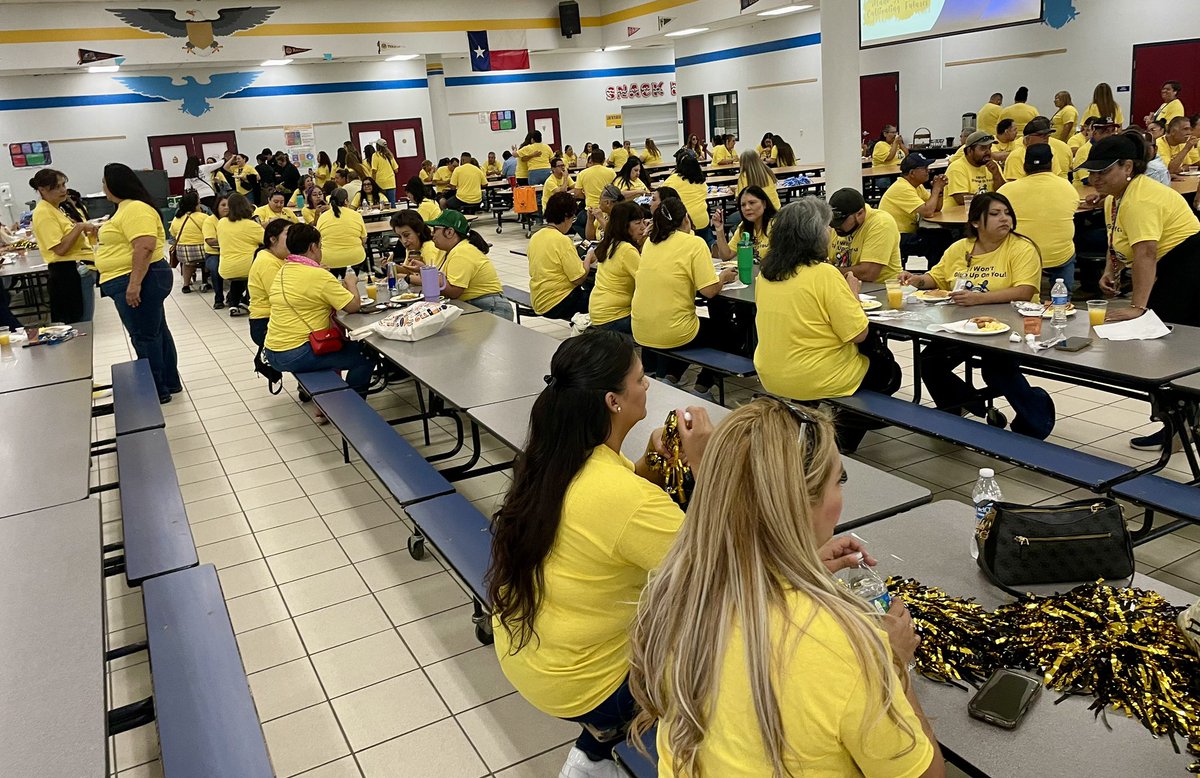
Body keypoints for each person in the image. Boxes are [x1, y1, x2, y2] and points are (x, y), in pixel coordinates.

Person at [628, 398, 942, 778]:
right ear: (797, 504)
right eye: (837, 480)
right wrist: (892, 663)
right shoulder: (848, 650)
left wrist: (792, 563)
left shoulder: (674, 592)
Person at [488, 329, 717, 778]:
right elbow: (721, 567)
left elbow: (604, 512)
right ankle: (618, 744)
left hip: (529, 655)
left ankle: (594, 751)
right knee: (724, 641)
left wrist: (649, 466)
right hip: (586, 684)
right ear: (614, 401)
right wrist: (704, 465)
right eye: (639, 378)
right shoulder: (627, 500)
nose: (647, 384)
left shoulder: (554, 457)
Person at [1077, 131, 1200, 450]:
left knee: (1172, 352)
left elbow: (1146, 253)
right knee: (1162, 354)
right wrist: (1110, 269)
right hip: (1169, 270)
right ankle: (1174, 428)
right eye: (1092, 171)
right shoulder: (1116, 198)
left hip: (1188, 268)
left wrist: (1138, 308)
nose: (1094, 178)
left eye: (1103, 171)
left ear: (1128, 166)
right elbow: (1117, 238)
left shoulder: (1141, 198)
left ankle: (1181, 430)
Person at [898, 193, 1055, 439]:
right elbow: (936, 277)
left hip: (1010, 328)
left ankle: (1036, 417)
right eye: (994, 214)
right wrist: (915, 279)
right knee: (930, 362)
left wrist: (978, 298)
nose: (1004, 219)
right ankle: (961, 407)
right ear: (974, 222)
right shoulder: (960, 249)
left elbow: (1025, 291)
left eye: (1007, 213)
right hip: (963, 325)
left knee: (996, 370)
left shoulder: (1021, 248)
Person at [631, 196, 738, 394]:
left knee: (689, 326)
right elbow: (709, 291)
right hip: (673, 331)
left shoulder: (650, 243)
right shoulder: (694, 243)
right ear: (685, 219)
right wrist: (723, 277)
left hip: (640, 327)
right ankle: (703, 387)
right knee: (729, 333)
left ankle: (671, 377)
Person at [96, 163, 180, 403]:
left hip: (139, 278)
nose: (102, 187)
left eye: (104, 182)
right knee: (156, 332)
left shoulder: (134, 208)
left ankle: (157, 390)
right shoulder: (126, 208)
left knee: (145, 336)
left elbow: (144, 246)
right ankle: (168, 382)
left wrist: (134, 284)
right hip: (135, 277)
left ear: (114, 184)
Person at [263, 223, 374, 395]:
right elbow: (353, 306)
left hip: (272, 350)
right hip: (297, 352)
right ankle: (353, 406)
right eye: (320, 246)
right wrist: (351, 283)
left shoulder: (284, 269)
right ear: (313, 247)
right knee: (365, 356)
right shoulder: (317, 275)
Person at [999, 144, 1080, 290]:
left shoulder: (1006, 190)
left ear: (1024, 165)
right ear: (1052, 163)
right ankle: (1064, 297)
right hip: (1059, 255)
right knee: (1068, 250)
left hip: (1021, 256)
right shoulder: (1067, 187)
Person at [29, 168, 95, 323]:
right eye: (57, 187)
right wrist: (79, 227)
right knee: (79, 322)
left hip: (78, 270)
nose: (63, 190)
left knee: (84, 319)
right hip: (66, 272)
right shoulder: (44, 213)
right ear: (42, 190)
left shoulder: (57, 209)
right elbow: (60, 249)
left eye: (63, 185)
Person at [425, 210, 512, 318]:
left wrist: (429, 276)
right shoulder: (448, 251)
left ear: (449, 232)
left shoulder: (462, 252)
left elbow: (453, 292)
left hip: (491, 307)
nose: (432, 234)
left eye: (435, 230)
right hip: (474, 305)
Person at [528, 192, 594, 321]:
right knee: (601, 298)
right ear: (566, 216)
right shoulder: (562, 240)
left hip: (539, 299)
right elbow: (578, 278)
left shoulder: (536, 236)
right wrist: (589, 256)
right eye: (572, 218)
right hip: (558, 302)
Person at [589, 200, 643, 335]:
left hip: (598, 312)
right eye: (638, 223)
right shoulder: (627, 250)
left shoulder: (611, 243)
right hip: (614, 318)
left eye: (643, 222)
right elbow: (646, 282)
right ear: (624, 226)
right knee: (661, 322)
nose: (643, 227)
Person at [827, 188, 902, 283]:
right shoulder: (839, 227)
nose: (836, 226)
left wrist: (828, 271)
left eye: (841, 222)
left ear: (860, 213)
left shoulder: (881, 223)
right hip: (845, 284)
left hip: (879, 288)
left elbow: (868, 273)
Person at [879, 154, 947, 259]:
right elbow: (928, 212)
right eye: (924, 168)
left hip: (907, 232)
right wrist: (936, 189)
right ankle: (934, 274)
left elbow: (936, 208)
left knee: (944, 235)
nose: (928, 171)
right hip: (894, 236)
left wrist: (939, 191)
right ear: (912, 173)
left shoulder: (917, 186)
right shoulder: (902, 188)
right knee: (936, 242)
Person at [246, 218, 290, 350]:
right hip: (266, 322)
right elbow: (280, 296)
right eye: (288, 233)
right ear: (273, 239)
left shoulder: (280, 258)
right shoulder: (267, 262)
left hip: (275, 318)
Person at [217, 193, 264, 316]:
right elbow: (268, 241)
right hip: (247, 268)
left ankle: (233, 304)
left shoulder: (221, 222)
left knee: (237, 278)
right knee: (261, 260)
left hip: (225, 268)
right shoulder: (252, 225)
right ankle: (246, 301)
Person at [713, 185, 776, 262]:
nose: (747, 208)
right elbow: (726, 256)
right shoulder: (743, 227)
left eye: (752, 203)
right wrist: (719, 229)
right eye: (743, 205)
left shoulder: (776, 225)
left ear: (764, 204)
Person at [662, 154, 712, 245]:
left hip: (685, 222)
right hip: (703, 221)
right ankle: (710, 245)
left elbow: (661, 192)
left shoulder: (673, 179)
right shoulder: (701, 181)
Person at [316, 189, 367, 277]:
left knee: (333, 285)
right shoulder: (356, 215)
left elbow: (319, 241)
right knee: (351, 284)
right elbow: (364, 239)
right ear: (346, 201)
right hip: (354, 258)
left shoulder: (323, 217)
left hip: (329, 259)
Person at [945, 131, 1006, 205]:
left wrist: (996, 175)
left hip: (985, 211)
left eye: (989, 148)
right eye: (983, 148)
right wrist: (991, 200)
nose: (988, 152)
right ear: (969, 151)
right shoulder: (956, 168)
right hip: (957, 214)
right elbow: (961, 199)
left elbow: (1003, 193)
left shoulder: (993, 165)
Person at [1004, 116, 1074, 180]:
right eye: (1041, 136)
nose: (1046, 139)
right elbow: (1014, 184)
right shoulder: (1016, 156)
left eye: (1047, 135)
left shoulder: (1051, 151)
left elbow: (1055, 176)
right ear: (1028, 139)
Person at [168, 190, 208, 294]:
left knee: (187, 263)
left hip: (183, 253)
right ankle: (206, 280)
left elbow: (172, 234)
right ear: (196, 205)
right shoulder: (204, 217)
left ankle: (186, 284)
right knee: (210, 255)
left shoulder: (177, 219)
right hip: (202, 250)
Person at [390, 210, 442, 285]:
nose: (404, 241)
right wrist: (391, 266)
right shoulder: (410, 248)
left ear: (418, 231)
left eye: (406, 235)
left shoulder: (429, 248)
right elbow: (410, 271)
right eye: (399, 237)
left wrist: (404, 277)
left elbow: (435, 280)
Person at [574, 149, 617, 237]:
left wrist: (587, 196)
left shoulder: (582, 174)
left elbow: (577, 194)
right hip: (607, 209)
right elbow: (615, 191)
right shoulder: (611, 172)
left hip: (590, 209)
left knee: (576, 224)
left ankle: (587, 241)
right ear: (603, 160)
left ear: (591, 160)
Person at [202, 195, 227, 309]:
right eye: (223, 205)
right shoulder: (210, 221)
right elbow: (210, 241)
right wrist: (229, 241)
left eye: (229, 205)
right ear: (216, 206)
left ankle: (235, 297)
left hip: (231, 253)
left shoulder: (234, 219)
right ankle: (218, 298)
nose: (226, 208)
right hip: (214, 254)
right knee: (215, 269)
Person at [369, 139, 399, 204]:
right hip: (391, 182)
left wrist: (373, 181)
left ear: (377, 146)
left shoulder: (375, 155)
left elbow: (374, 170)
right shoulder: (390, 155)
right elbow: (396, 170)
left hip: (380, 183)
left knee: (383, 203)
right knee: (392, 203)